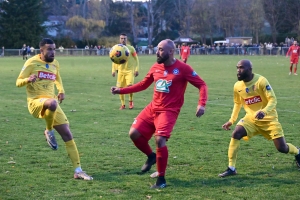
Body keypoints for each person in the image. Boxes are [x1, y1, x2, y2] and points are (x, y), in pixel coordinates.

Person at [111, 39, 208, 188]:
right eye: (157, 49)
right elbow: (143, 85)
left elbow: (202, 84)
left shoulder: (183, 68)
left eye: (161, 49)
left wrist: (201, 104)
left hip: (169, 111)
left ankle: (161, 180)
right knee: (133, 134)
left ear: (171, 52)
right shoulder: (156, 67)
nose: (157, 52)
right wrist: (121, 90)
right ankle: (151, 156)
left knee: (160, 140)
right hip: (152, 108)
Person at [16, 38, 93, 181]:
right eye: (49, 49)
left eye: (54, 49)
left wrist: (61, 90)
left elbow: (57, 78)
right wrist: (27, 80)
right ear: (42, 50)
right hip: (35, 102)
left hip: (52, 102)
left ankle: (78, 170)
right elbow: (18, 82)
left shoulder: (55, 63)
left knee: (68, 135)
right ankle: (49, 130)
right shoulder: (31, 63)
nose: (53, 52)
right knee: (52, 103)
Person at [219, 59, 300, 178]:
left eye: (241, 68)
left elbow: (273, 100)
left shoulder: (261, 81)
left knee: (282, 148)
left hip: (269, 120)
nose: (238, 71)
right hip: (251, 120)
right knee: (236, 133)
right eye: (237, 68)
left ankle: (298, 152)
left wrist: (264, 111)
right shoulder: (237, 86)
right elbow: (237, 103)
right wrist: (231, 120)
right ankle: (231, 168)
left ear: (250, 69)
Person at [112, 33, 139, 110]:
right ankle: (123, 104)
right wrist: (113, 70)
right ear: (119, 39)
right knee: (119, 88)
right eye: (122, 38)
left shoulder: (131, 48)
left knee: (130, 87)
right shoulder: (116, 48)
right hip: (120, 72)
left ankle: (130, 101)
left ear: (127, 39)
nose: (123, 40)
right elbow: (114, 59)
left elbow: (136, 59)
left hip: (129, 71)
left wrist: (136, 69)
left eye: (125, 38)